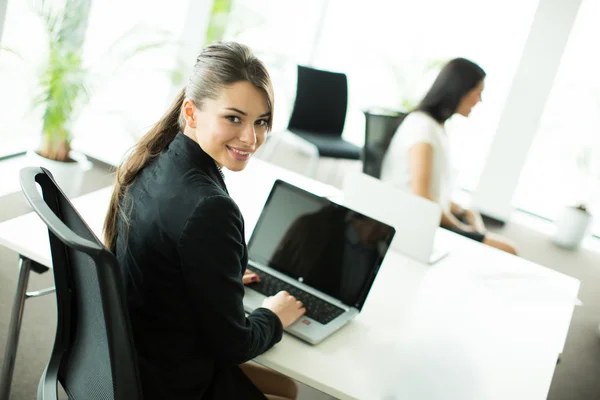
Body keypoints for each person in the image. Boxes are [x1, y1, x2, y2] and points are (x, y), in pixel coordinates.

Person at [103, 42, 305, 400]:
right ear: (192, 113)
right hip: (170, 384)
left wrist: (214, 273)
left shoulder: (152, 161)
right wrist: (274, 315)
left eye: (261, 122)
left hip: (125, 363)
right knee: (289, 391)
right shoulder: (211, 209)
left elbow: (165, 252)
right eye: (234, 118)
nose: (251, 138)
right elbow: (234, 345)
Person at [380, 58, 518, 255]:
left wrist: (463, 211)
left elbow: (432, 191)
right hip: (414, 224)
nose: (479, 100)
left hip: (429, 219)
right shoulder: (423, 129)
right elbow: (423, 200)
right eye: (477, 93)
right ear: (459, 90)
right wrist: (461, 228)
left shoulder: (436, 128)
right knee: (508, 250)